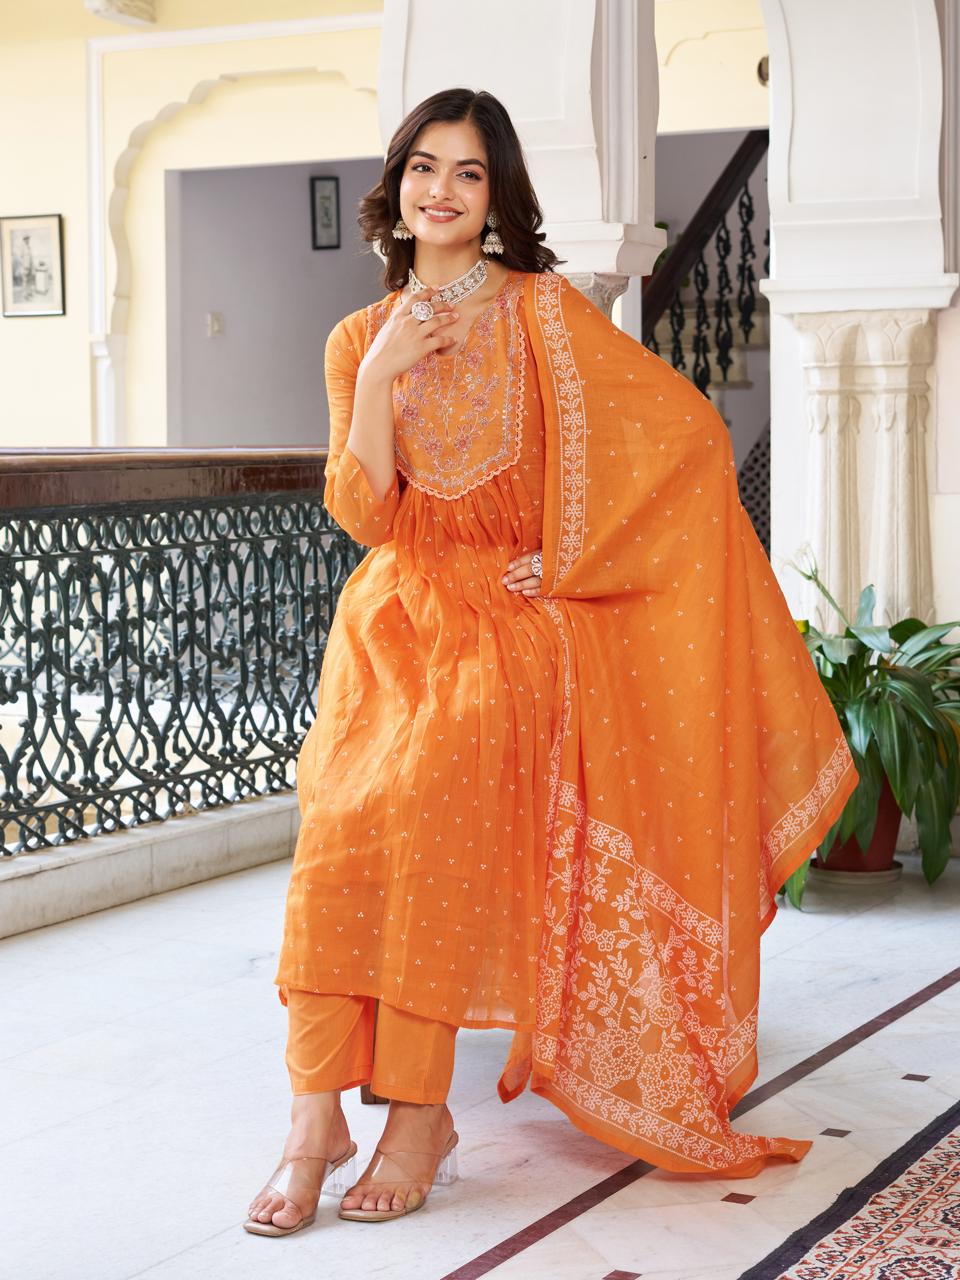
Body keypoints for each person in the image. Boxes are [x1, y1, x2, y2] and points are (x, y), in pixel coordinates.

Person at [245, 88, 859, 1236]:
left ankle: (418, 1114)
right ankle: (313, 1113)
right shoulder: (352, 338)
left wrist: (572, 557)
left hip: (512, 632)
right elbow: (366, 516)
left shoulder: (544, 316)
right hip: (393, 620)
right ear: (398, 186)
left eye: (467, 174)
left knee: (425, 808)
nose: (440, 190)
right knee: (335, 827)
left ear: (496, 197)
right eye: (423, 167)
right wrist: (382, 373)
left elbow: (685, 441)